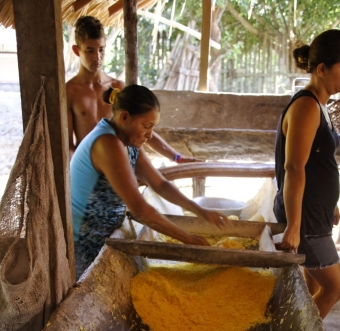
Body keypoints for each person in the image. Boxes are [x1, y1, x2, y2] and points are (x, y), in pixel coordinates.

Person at [71, 84, 227, 278]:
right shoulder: (107, 143)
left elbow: (160, 184)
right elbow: (140, 209)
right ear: (124, 117)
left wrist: (198, 209)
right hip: (86, 240)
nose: (150, 134)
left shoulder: (126, 141)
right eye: (146, 126)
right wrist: (189, 239)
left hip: (106, 232)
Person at [273, 29, 340, 331]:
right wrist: (294, 225)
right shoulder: (307, 106)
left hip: (313, 211)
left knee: (308, 291)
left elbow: (318, 161)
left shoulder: (319, 105)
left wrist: (330, 202)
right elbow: (293, 168)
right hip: (303, 216)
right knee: (335, 288)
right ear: (321, 69)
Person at [66, 15, 200, 164]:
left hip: (120, 166)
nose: (97, 57)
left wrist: (178, 158)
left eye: (101, 50)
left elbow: (144, 130)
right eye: (90, 50)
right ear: (77, 50)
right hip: (88, 168)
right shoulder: (70, 92)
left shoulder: (118, 87)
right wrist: (78, 174)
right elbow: (68, 146)